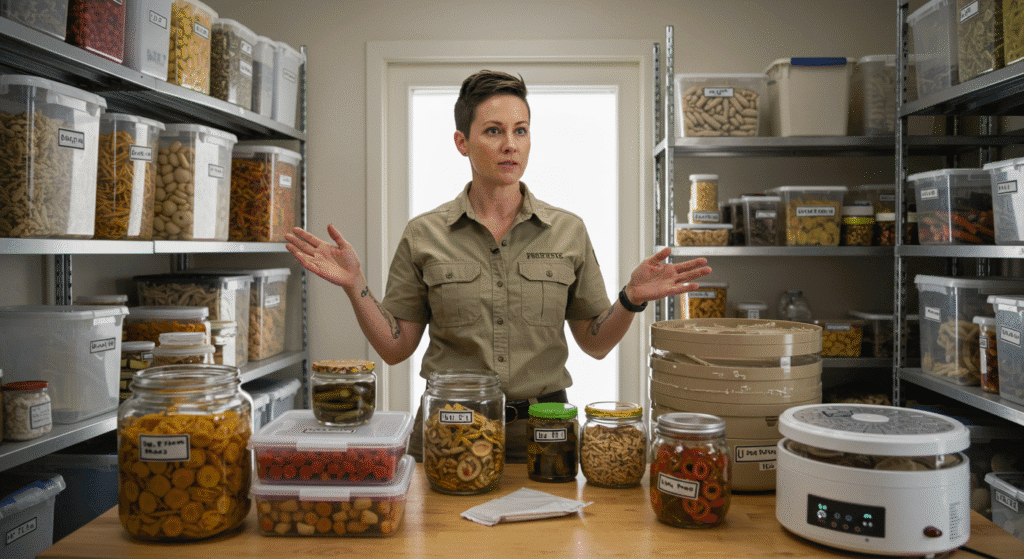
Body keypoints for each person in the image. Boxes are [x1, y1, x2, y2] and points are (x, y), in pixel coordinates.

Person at [285, 70, 712, 462]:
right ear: (462, 143)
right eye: (494, 131)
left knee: (548, 545)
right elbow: (395, 347)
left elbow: (595, 343)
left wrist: (631, 298)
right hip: (450, 427)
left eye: (520, 131)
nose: (511, 144)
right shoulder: (424, 234)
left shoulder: (568, 231)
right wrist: (354, 283)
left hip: (544, 429)